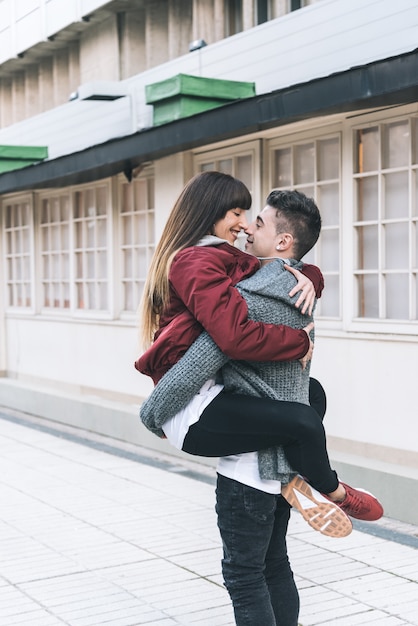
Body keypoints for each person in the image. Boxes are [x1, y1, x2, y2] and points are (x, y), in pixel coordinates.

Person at [138, 190, 382, 624]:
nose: (248, 227)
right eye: (240, 216)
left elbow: (200, 361)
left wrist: (153, 411)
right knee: (275, 565)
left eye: (259, 222)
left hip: (244, 470)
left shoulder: (246, 299)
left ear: (284, 241)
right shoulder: (299, 294)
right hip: (274, 462)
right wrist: (307, 274)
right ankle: (310, 478)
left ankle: (332, 489)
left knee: (243, 574)